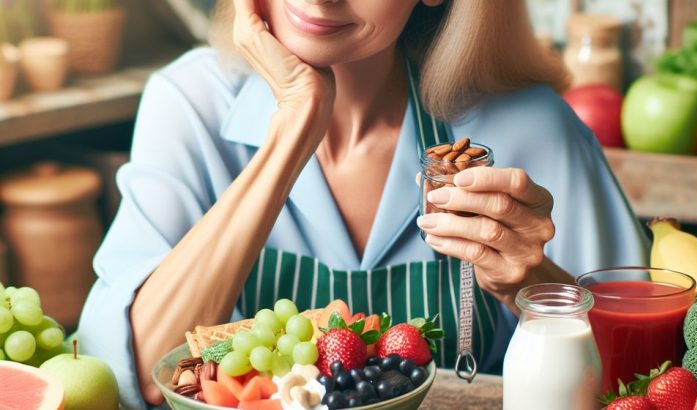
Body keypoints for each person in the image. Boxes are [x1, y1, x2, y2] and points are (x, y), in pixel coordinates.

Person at [77, 0, 649, 408]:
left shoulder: (533, 125)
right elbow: (143, 375)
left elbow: (645, 375)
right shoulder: (190, 102)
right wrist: (295, 125)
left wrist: (533, 286)